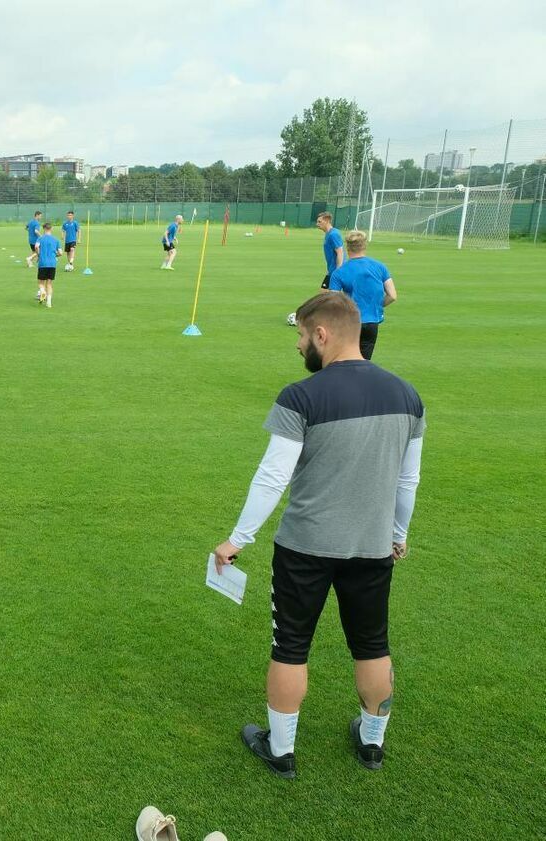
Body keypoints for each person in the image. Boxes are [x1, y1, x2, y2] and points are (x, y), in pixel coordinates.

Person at [211, 291, 424, 780]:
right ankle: (372, 743)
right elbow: (408, 480)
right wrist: (397, 532)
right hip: (372, 547)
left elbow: (271, 477)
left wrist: (237, 539)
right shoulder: (407, 395)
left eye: (302, 336)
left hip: (304, 548)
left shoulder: (300, 396)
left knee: (290, 646)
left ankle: (281, 750)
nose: (299, 346)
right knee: (373, 644)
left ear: (322, 335)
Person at [328, 230, 397, 360]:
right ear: (365, 246)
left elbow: (334, 302)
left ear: (347, 247)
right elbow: (392, 295)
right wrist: (375, 306)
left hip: (350, 322)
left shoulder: (339, 272)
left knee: (345, 361)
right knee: (364, 363)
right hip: (372, 323)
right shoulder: (380, 267)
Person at [35, 222, 61, 308]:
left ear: (44, 229)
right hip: (52, 264)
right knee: (49, 283)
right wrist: (55, 255)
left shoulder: (40, 239)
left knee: (40, 282)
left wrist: (39, 255)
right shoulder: (56, 240)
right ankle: (49, 301)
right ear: (51, 229)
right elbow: (60, 253)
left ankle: (42, 292)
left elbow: (36, 247)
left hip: (42, 263)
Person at [317, 211, 344, 288]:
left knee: (328, 295)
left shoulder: (333, 234)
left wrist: (338, 270)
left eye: (319, 222)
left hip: (335, 272)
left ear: (327, 221)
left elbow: (340, 252)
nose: (317, 224)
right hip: (331, 271)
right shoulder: (328, 233)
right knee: (324, 295)